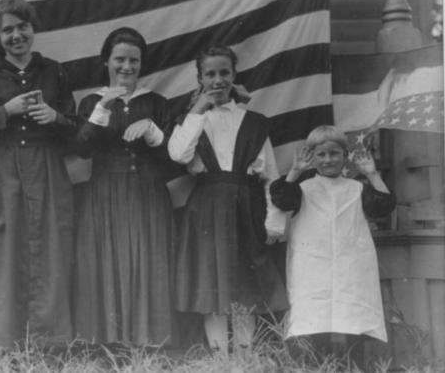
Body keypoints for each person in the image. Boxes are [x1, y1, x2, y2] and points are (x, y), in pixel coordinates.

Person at [0, 0, 78, 349]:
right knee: (2, 250)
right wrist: (6, 112)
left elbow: (77, 132)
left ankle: (48, 340)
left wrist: (55, 118)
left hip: (45, 168)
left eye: (22, 27)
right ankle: (0, 340)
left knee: (47, 248)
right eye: (7, 30)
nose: (16, 36)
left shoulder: (53, 70)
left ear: (33, 28)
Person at [167, 45, 287, 354]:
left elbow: (270, 174)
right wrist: (197, 111)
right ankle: (220, 357)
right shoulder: (193, 120)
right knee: (212, 283)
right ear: (200, 78)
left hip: (245, 206)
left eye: (224, 73)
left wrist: (274, 218)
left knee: (244, 285)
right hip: (206, 209)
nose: (218, 80)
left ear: (234, 76)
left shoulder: (253, 121)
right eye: (210, 74)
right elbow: (179, 154)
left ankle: (245, 356)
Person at [72, 27, 173, 346]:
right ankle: (107, 341)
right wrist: (104, 106)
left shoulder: (157, 103)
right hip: (105, 192)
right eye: (120, 60)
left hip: (147, 192)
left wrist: (152, 130)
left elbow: (173, 160)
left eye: (134, 60)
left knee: (148, 259)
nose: (127, 67)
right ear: (106, 61)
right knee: (106, 260)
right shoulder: (91, 101)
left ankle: (149, 340)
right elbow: (82, 149)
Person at [270, 125, 395, 369]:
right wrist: (295, 171)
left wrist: (371, 174)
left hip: (351, 263)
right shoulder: (301, 189)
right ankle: (320, 367)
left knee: (353, 317)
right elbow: (282, 199)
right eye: (321, 154)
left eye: (334, 153)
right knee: (315, 318)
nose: (328, 160)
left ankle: (352, 366)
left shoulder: (357, 188)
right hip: (313, 264)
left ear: (345, 155)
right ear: (311, 157)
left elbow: (384, 206)